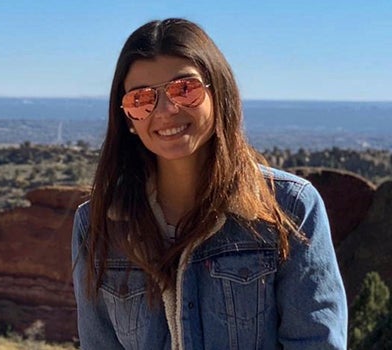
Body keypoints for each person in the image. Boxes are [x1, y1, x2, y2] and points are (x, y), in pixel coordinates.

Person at [70, 18, 347, 349]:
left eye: (184, 89)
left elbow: (315, 342)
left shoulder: (288, 208)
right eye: (141, 99)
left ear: (219, 93)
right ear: (127, 118)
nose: (166, 110)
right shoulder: (97, 224)